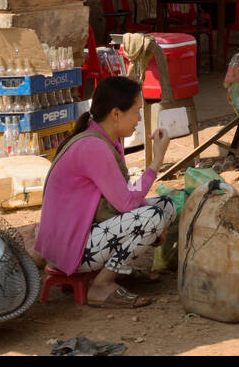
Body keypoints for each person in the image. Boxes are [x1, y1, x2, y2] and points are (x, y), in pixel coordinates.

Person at [35, 76, 176, 308]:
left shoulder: (109, 140)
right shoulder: (94, 147)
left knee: (165, 207)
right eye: (136, 111)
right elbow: (127, 204)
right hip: (71, 247)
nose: (139, 119)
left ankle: (117, 271)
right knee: (153, 217)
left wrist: (154, 222)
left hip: (86, 233)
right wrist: (156, 161)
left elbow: (124, 196)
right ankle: (101, 286)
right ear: (116, 114)